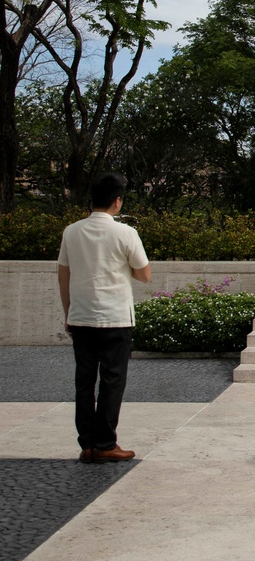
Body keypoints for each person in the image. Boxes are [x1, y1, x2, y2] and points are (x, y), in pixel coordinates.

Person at [57, 172, 151, 463]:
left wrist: (68, 312)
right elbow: (145, 274)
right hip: (114, 318)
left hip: (81, 316)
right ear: (117, 201)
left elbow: (63, 275)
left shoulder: (72, 231)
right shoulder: (125, 233)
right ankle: (106, 443)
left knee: (84, 381)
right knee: (112, 380)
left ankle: (87, 444)